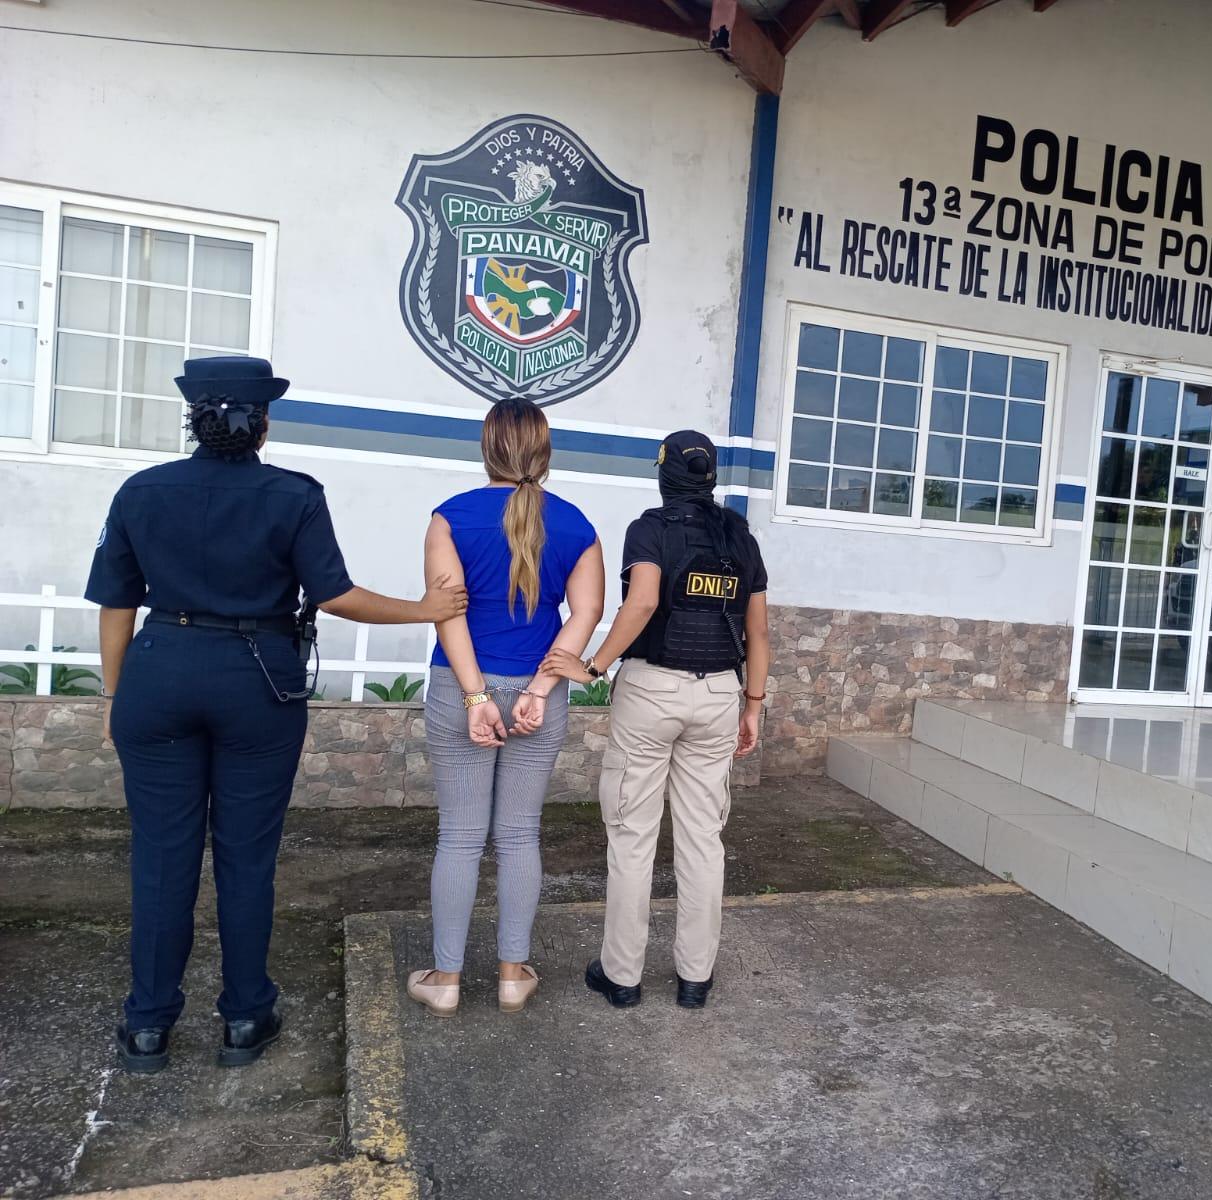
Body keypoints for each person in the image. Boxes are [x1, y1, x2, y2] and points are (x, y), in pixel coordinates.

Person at [87, 355, 468, 1075]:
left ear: (194, 421)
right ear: (261, 425)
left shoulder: (141, 490)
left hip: (160, 671)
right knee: (245, 856)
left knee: (161, 858)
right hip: (257, 678)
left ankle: (148, 1027)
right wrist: (424, 609)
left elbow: (116, 602)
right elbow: (334, 595)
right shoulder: (293, 495)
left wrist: (116, 696)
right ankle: (244, 1017)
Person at [543, 430, 769, 1010]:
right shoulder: (740, 537)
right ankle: (695, 978)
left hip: (652, 692)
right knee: (702, 839)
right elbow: (759, 632)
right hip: (719, 693)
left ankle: (622, 977)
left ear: (664, 474)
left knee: (632, 835)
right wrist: (753, 705)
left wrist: (592, 666)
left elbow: (641, 602)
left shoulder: (650, 529)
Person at [405, 398, 604, 1018]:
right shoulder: (576, 524)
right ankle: (513, 976)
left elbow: (447, 612)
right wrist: (539, 689)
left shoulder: (450, 517)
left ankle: (446, 980)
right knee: (520, 835)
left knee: (460, 836)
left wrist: (475, 696)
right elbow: (587, 613)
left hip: (460, 686)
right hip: (540, 690)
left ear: (487, 448)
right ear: (545, 453)